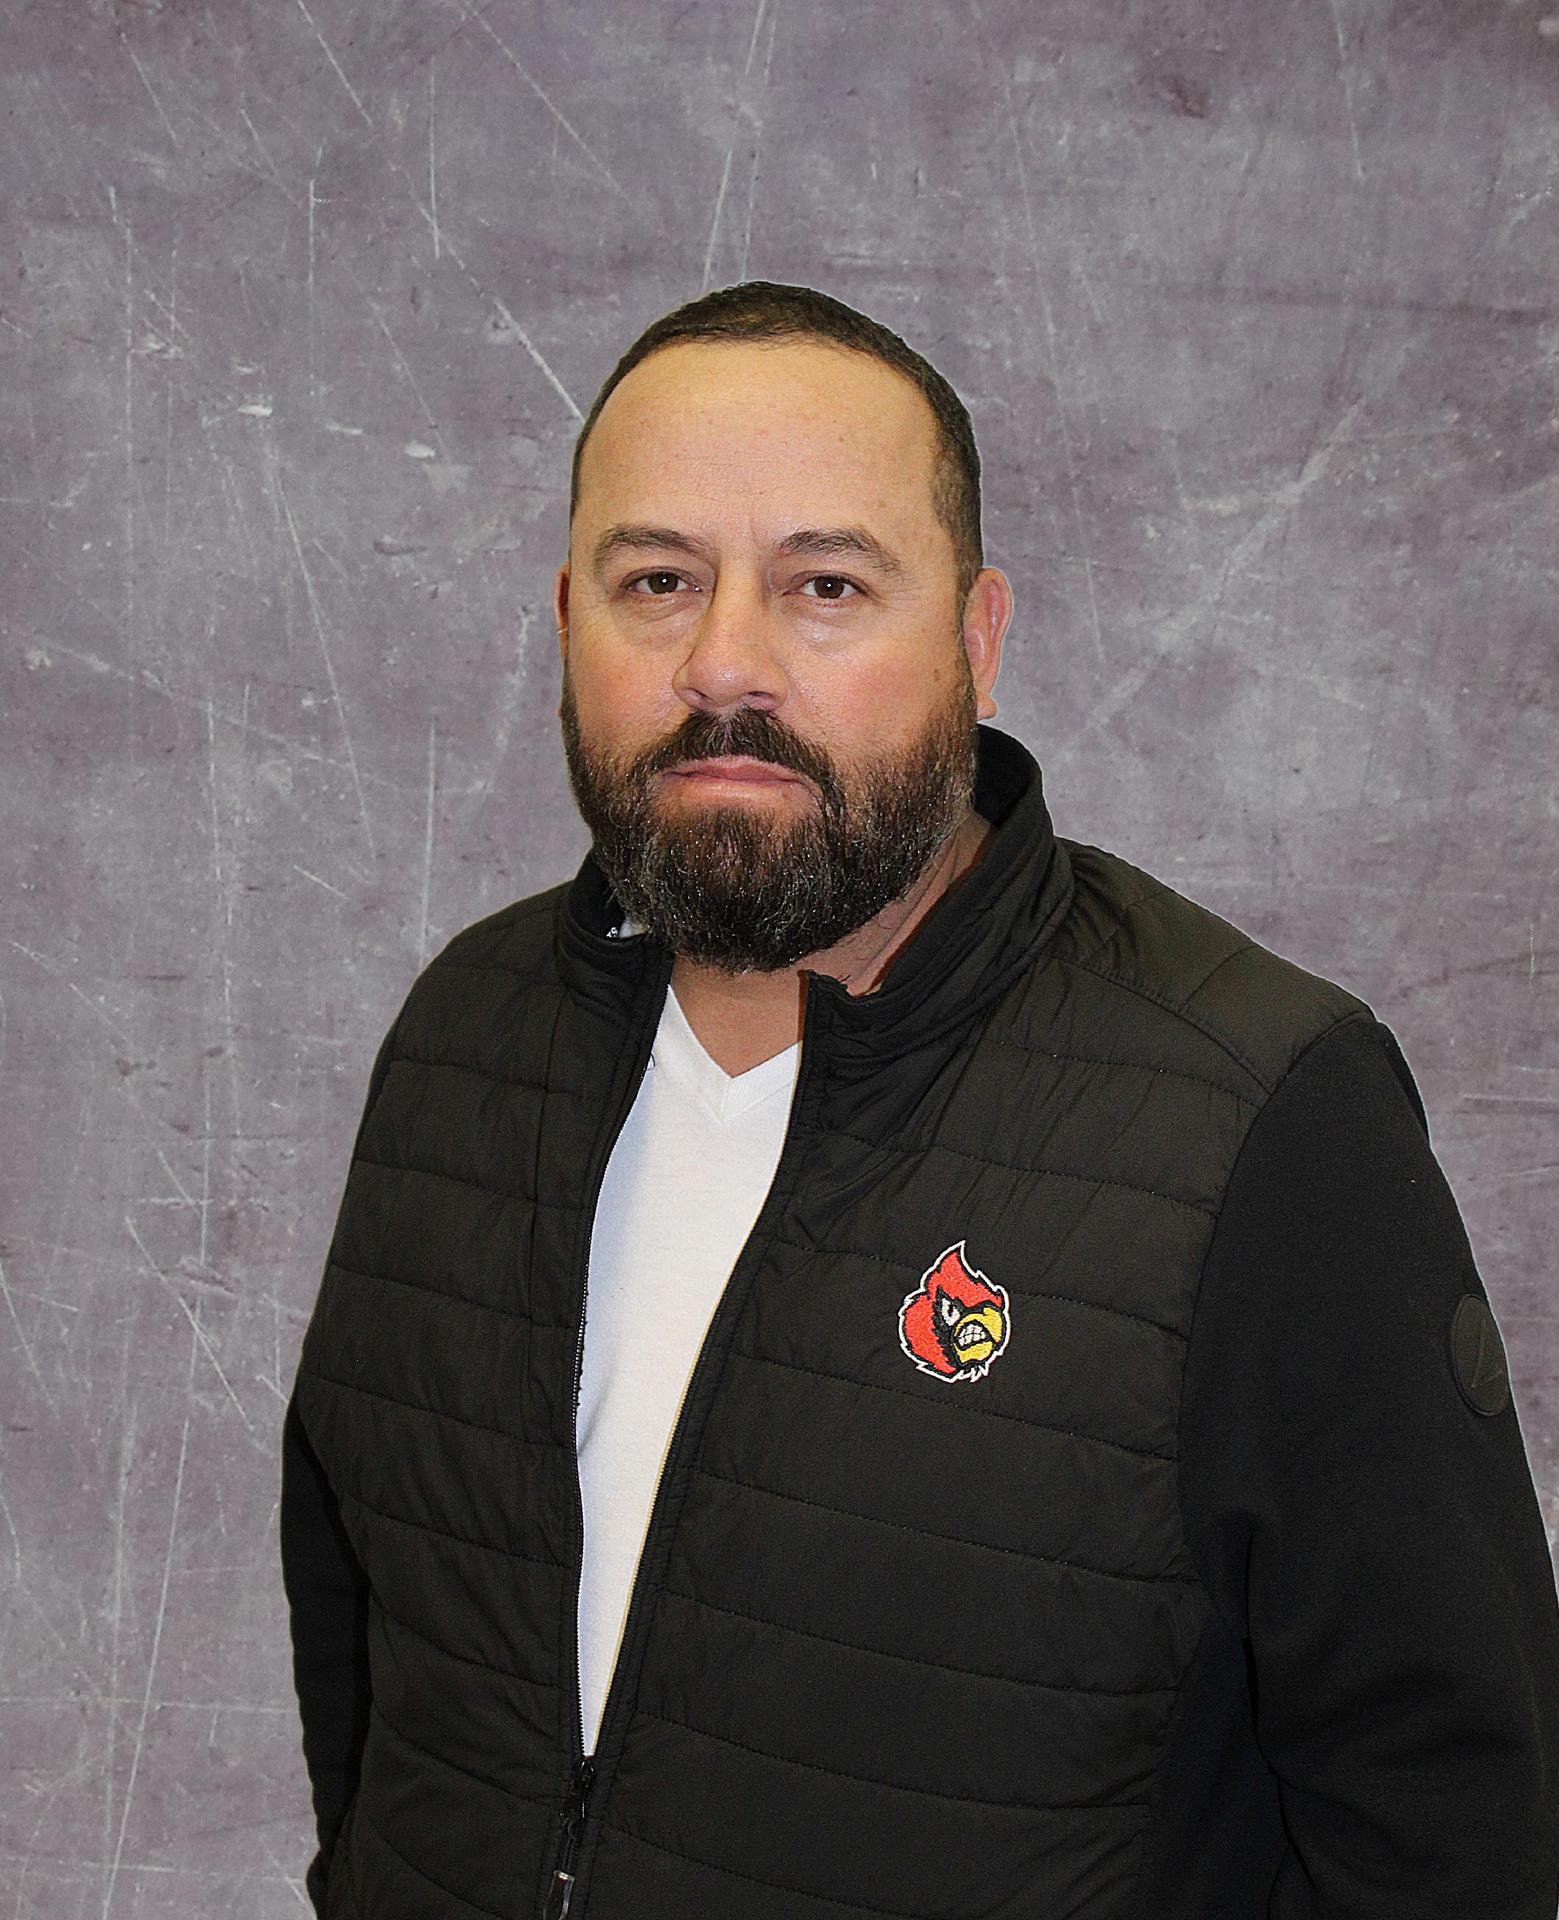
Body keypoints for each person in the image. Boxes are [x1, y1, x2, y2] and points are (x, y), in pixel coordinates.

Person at [280, 280, 1559, 1920]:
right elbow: (376, 1661)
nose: (723, 661)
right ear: (564, 621)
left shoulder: (1254, 1115)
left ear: (977, 638)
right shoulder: (468, 1036)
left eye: (826, 585)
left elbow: (1453, 1830)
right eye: (656, 579)